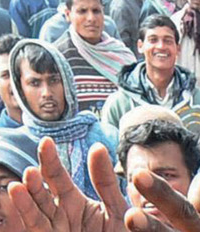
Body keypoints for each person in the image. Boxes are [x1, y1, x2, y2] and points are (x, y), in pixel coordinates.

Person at [11, 37, 120, 198]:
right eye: (35, 83)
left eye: (54, 80)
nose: (46, 93)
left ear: (68, 82)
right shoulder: (16, 148)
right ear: (20, 90)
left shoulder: (106, 137)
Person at [99, 12, 200, 144]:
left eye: (167, 41)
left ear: (178, 48)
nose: (161, 46)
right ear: (140, 46)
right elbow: (109, 153)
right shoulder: (119, 103)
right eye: (153, 40)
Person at [57, 0, 135, 106]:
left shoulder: (121, 55)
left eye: (96, 11)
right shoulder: (59, 57)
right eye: (82, 11)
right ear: (68, 15)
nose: (91, 18)